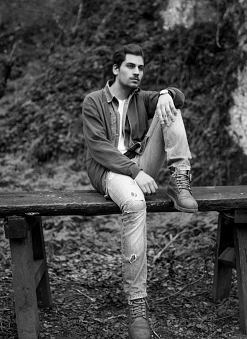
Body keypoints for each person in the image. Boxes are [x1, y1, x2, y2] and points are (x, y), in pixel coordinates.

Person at [81, 44, 197, 339]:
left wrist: (168, 95)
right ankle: (137, 305)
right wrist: (135, 172)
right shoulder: (93, 101)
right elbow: (98, 148)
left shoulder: (142, 98)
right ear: (115, 69)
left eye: (141, 67)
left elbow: (178, 98)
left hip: (141, 165)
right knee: (134, 204)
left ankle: (180, 179)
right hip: (109, 171)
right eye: (131, 66)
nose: (137, 72)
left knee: (168, 104)